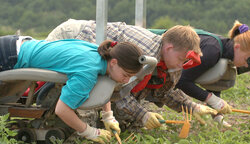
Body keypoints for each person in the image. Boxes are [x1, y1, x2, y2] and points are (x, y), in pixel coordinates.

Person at [45, 19, 220, 131]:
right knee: (64, 81)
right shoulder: (144, 55)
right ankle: (53, 117)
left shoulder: (165, 59)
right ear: (169, 48)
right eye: (182, 60)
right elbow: (119, 93)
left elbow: (163, 91)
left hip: (89, 46)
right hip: (73, 35)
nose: (183, 65)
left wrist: (192, 106)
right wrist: (142, 115)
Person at [0, 35, 143, 143]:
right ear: (114, 62)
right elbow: (62, 110)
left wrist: (108, 116)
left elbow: (102, 80)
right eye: (126, 75)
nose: (126, 81)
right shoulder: (87, 73)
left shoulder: (100, 53)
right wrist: (90, 132)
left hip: (16, 44)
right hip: (8, 57)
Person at [175, 20, 250, 127]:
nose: (246, 65)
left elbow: (213, 84)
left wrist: (217, 116)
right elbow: (181, 80)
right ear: (237, 47)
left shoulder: (224, 51)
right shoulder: (213, 51)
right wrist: (212, 100)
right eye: (247, 59)